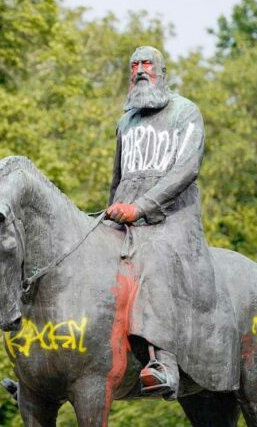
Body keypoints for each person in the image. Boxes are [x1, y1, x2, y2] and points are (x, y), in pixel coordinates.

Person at [105, 46, 238, 399]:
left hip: (173, 221)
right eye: (134, 65)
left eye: (147, 64)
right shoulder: (126, 121)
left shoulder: (185, 111)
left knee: (153, 255)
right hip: (130, 218)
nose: (140, 70)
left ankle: (164, 361)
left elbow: (186, 169)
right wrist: (110, 214)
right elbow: (118, 177)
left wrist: (142, 208)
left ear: (162, 71)